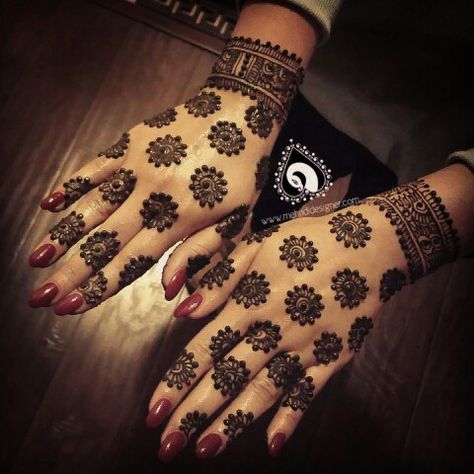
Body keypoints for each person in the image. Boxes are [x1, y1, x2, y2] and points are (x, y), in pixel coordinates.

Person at [27, 0, 474, 463]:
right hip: (320, 58)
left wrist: (407, 230)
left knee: (297, 278)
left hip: (439, 144)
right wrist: (249, 88)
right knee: (242, 239)